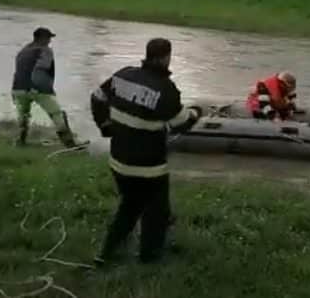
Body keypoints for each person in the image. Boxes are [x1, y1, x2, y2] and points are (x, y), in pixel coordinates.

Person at [91, 38, 201, 266]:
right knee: (156, 213)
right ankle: (149, 260)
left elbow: (97, 97)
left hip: (118, 161)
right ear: (165, 57)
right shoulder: (166, 89)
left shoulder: (123, 74)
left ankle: (106, 253)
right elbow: (181, 123)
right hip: (149, 168)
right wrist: (196, 113)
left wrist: (105, 126)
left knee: (129, 207)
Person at [11, 27, 78, 148]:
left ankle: (20, 142)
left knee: (23, 115)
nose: (49, 41)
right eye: (48, 38)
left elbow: (17, 72)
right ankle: (70, 145)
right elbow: (41, 68)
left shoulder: (22, 52)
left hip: (18, 88)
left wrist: (14, 91)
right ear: (41, 38)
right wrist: (43, 89)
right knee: (57, 114)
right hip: (37, 88)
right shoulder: (45, 50)